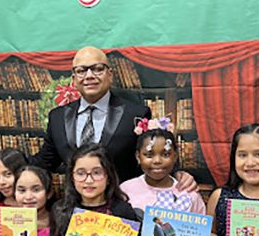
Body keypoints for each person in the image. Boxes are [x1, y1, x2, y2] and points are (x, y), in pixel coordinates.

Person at [31, 46, 195, 190]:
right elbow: (45, 162)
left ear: (110, 75)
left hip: (122, 207)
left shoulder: (136, 114)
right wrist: (9, 166)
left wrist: (177, 174)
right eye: (81, 71)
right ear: (74, 79)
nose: (89, 76)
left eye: (97, 69)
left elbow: (150, 155)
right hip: (76, 209)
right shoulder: (57, 117)